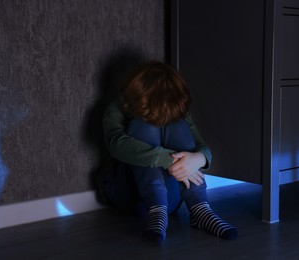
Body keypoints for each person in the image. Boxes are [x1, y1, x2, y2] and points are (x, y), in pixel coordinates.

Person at [101, 60, 238, 243]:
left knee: (178, 124)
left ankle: (200, 209)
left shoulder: (173, 108)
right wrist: (168, 159)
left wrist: (199, 158)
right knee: (142, 126)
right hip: (132, 196)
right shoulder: (117, 109)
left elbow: (202, 147)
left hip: (171, 202)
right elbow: (117, 145)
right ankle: (156, 210)